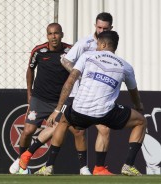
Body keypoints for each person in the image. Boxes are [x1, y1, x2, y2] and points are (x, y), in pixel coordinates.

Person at [38, 30, 147, 176]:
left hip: (79, 110)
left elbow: (70, 82)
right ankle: (128, 165)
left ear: (102, 44)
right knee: (141, 122)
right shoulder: (126, 66)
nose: (96, 47)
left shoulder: (87, 56)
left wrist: (58, 109)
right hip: (105, 114)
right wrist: (138, 107)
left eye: (97, 45)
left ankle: (48, 166)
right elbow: (134, 92)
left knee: (63, 122)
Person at [9, 23, 91, 175]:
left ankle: (83, 168)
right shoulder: (38, 51)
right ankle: (22, 162)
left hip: (62, 101)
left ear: (62, 34)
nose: (54, 37)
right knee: (28, 130)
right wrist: (29, 95)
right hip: (40, 99)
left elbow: (79, 71)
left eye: (56, 33)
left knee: (78, 131)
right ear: (47, 36)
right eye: (50, 34)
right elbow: (30, 70)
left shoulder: (71, 51)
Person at [59, 12, 114, 175]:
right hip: (79, 94)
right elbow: (65, 60)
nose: (101, 30)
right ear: (95, 26)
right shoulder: (85, 43)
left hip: (98, 96)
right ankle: (29, 157)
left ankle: (98, 168)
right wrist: (80, 74)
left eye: (105, 28)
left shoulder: (110, 45)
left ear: (111, 28)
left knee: (104, 129)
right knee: (60, 126)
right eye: (99, 27)